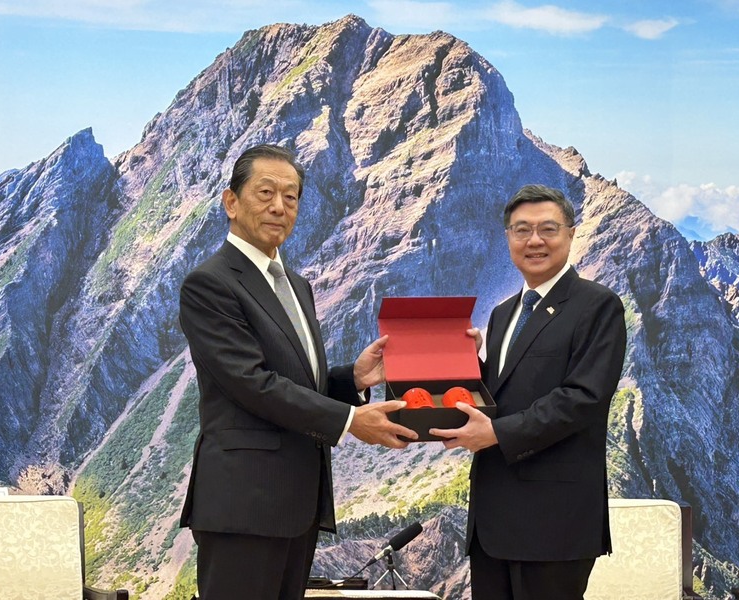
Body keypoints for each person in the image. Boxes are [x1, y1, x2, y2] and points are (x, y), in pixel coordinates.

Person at [178, 143, 418, 600]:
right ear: (231, 202)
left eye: (291, 197)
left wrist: (354, 380)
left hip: (297, 503)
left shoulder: (296, 286)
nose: (278, 206)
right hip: (244, 504)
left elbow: (295, 381)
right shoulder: (211, 283)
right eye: (265, 192)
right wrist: (351, 422)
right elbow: (253, 384)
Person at [430, 184, 627, 600]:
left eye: (548, 229)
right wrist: (463, 367)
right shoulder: (504, 313)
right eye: (521, 230)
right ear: (508, 239)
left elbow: (583, 399)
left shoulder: (598, 305)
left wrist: (498, 434)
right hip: (493, 522)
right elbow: (506, 392)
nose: (534, 241)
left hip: (555, 524)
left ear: (571, 234)